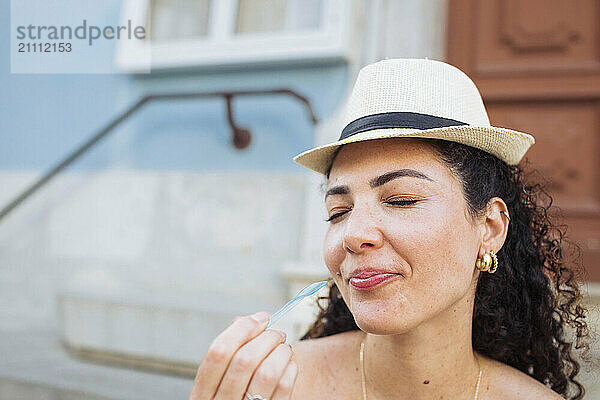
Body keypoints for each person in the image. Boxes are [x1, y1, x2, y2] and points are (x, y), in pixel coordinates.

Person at [189, 59, 590, 400]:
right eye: (338, 211)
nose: (353, 234)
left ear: (489, 227)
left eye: (401, 200)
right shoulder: (273, 388)